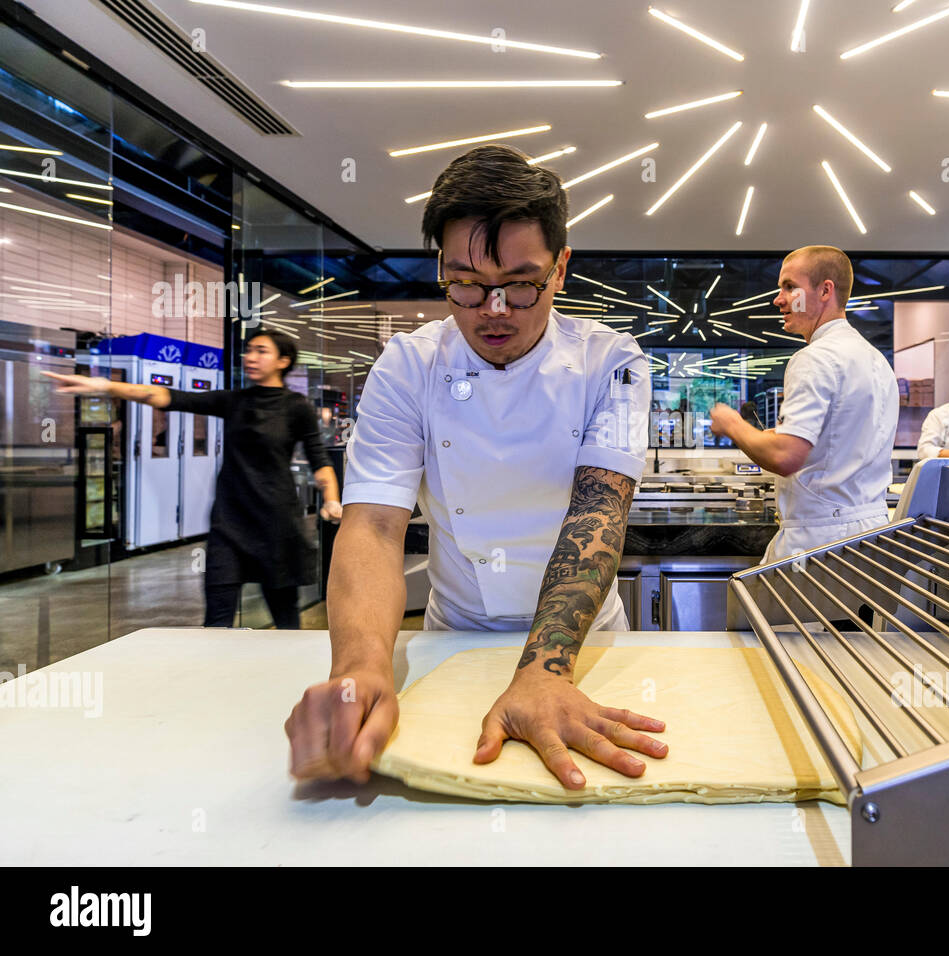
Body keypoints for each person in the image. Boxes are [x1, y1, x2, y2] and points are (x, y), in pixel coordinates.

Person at [283, 144, 666, 792]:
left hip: (585, 649)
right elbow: (373, 526)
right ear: (442, 268)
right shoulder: (408, 367)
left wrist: (545, 671)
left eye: (520, 283)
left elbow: (597, 515)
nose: (493, 308)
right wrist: (362, 668)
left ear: (560, 268)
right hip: (456, 638)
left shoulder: (611, 362)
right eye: (466, 282)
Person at [44, 330, 342, 629]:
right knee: (217, 620)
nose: (250, 357)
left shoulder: (296, 407)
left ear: (283, 361)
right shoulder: (234, 401)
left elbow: (319, 459)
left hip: (277, 523)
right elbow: (166, 396)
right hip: (230, 524)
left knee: (285, 620)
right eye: (249, 350)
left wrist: (331, 499)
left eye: (261, 351)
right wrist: (105, 385)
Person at [709, 245, 898, 564]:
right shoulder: (875, 359)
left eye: (789, 287)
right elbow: (838, 441)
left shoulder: (814, 358)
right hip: (871, 537)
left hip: (821, 542)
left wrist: (732, 424)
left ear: (825, 290)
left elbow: (785, 457)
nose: (778, 299)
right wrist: (774, 435)